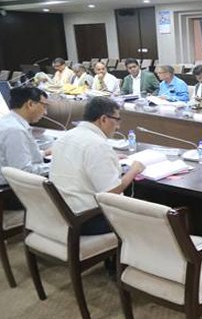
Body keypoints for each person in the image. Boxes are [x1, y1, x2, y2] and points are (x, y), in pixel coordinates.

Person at [49, 97, 145, 235]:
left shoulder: (66, 136)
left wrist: (109, 158)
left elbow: (81, 161)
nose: (118, 126)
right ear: (103, 119)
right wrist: (134, 170)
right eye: (117, 120)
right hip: (87, 220)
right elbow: (111, 192)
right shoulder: (98, 145)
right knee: (146, 218)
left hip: (61, 214)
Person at [0, 87, 50, 196]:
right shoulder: (15, 130)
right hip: (11, 192)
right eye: (44, 106)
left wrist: (45, 153)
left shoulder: (7, 122)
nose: (45, 112)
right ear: (30, 104)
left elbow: (14, 157)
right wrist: (56, 166)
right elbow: (24, 171)